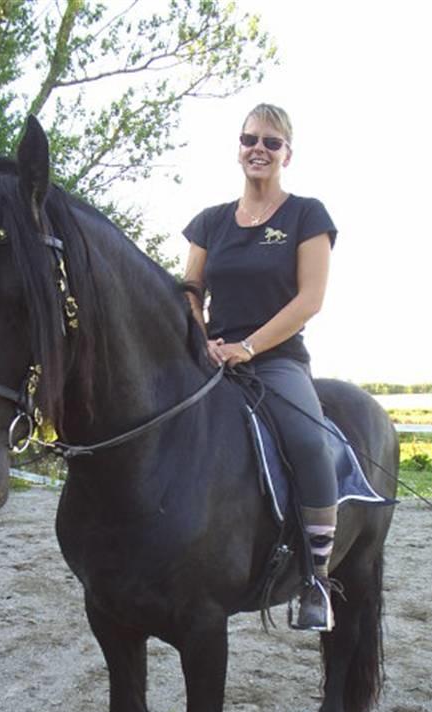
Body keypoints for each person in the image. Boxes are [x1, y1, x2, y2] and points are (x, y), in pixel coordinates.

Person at [183, 103, 338, 631]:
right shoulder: (209, 221)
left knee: (310, 441)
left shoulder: (307, 215)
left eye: (272, 142)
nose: (259, 149)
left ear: (287, 153)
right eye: (251, 139)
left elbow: (309, 299)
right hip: (210, 357)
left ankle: (316, 577)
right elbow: (191, 290)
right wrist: (202, 339)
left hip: (275, 361)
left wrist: (248, 347)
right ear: (239, 146)